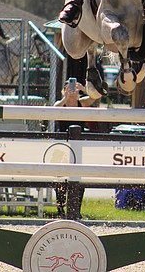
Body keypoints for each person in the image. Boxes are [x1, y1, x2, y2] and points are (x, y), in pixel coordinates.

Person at [52, 78, 100, 219]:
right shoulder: (61, 104)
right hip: (62, 147)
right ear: (63, 90)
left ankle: (76, 210)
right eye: (69, 88)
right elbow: (55, 110)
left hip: (78, 147)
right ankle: (61, 211)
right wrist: (65, 98)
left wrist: (85, 90)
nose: (73, 91)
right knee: (60, 179)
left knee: (78, 178)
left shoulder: (82, 103)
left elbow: (97, 97)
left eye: (74, 88)